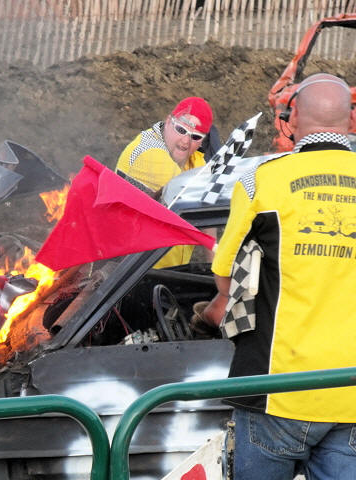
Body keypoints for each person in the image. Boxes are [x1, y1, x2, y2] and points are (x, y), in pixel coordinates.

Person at [201, 73, 356, 479]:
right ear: (351, 120)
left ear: (292, 117)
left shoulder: (261, 179)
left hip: (278, 391)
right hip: (350, 394)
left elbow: (224, 279)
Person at [116, 96, 216, 268]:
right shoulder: (149, 152)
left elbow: (208, 212)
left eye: (195, 136)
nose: (185, 141)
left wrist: (214, 267)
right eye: (181, 130)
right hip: (125, 273)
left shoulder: (195, 160)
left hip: (164, 272)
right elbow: (198, 199)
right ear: (168, 121)